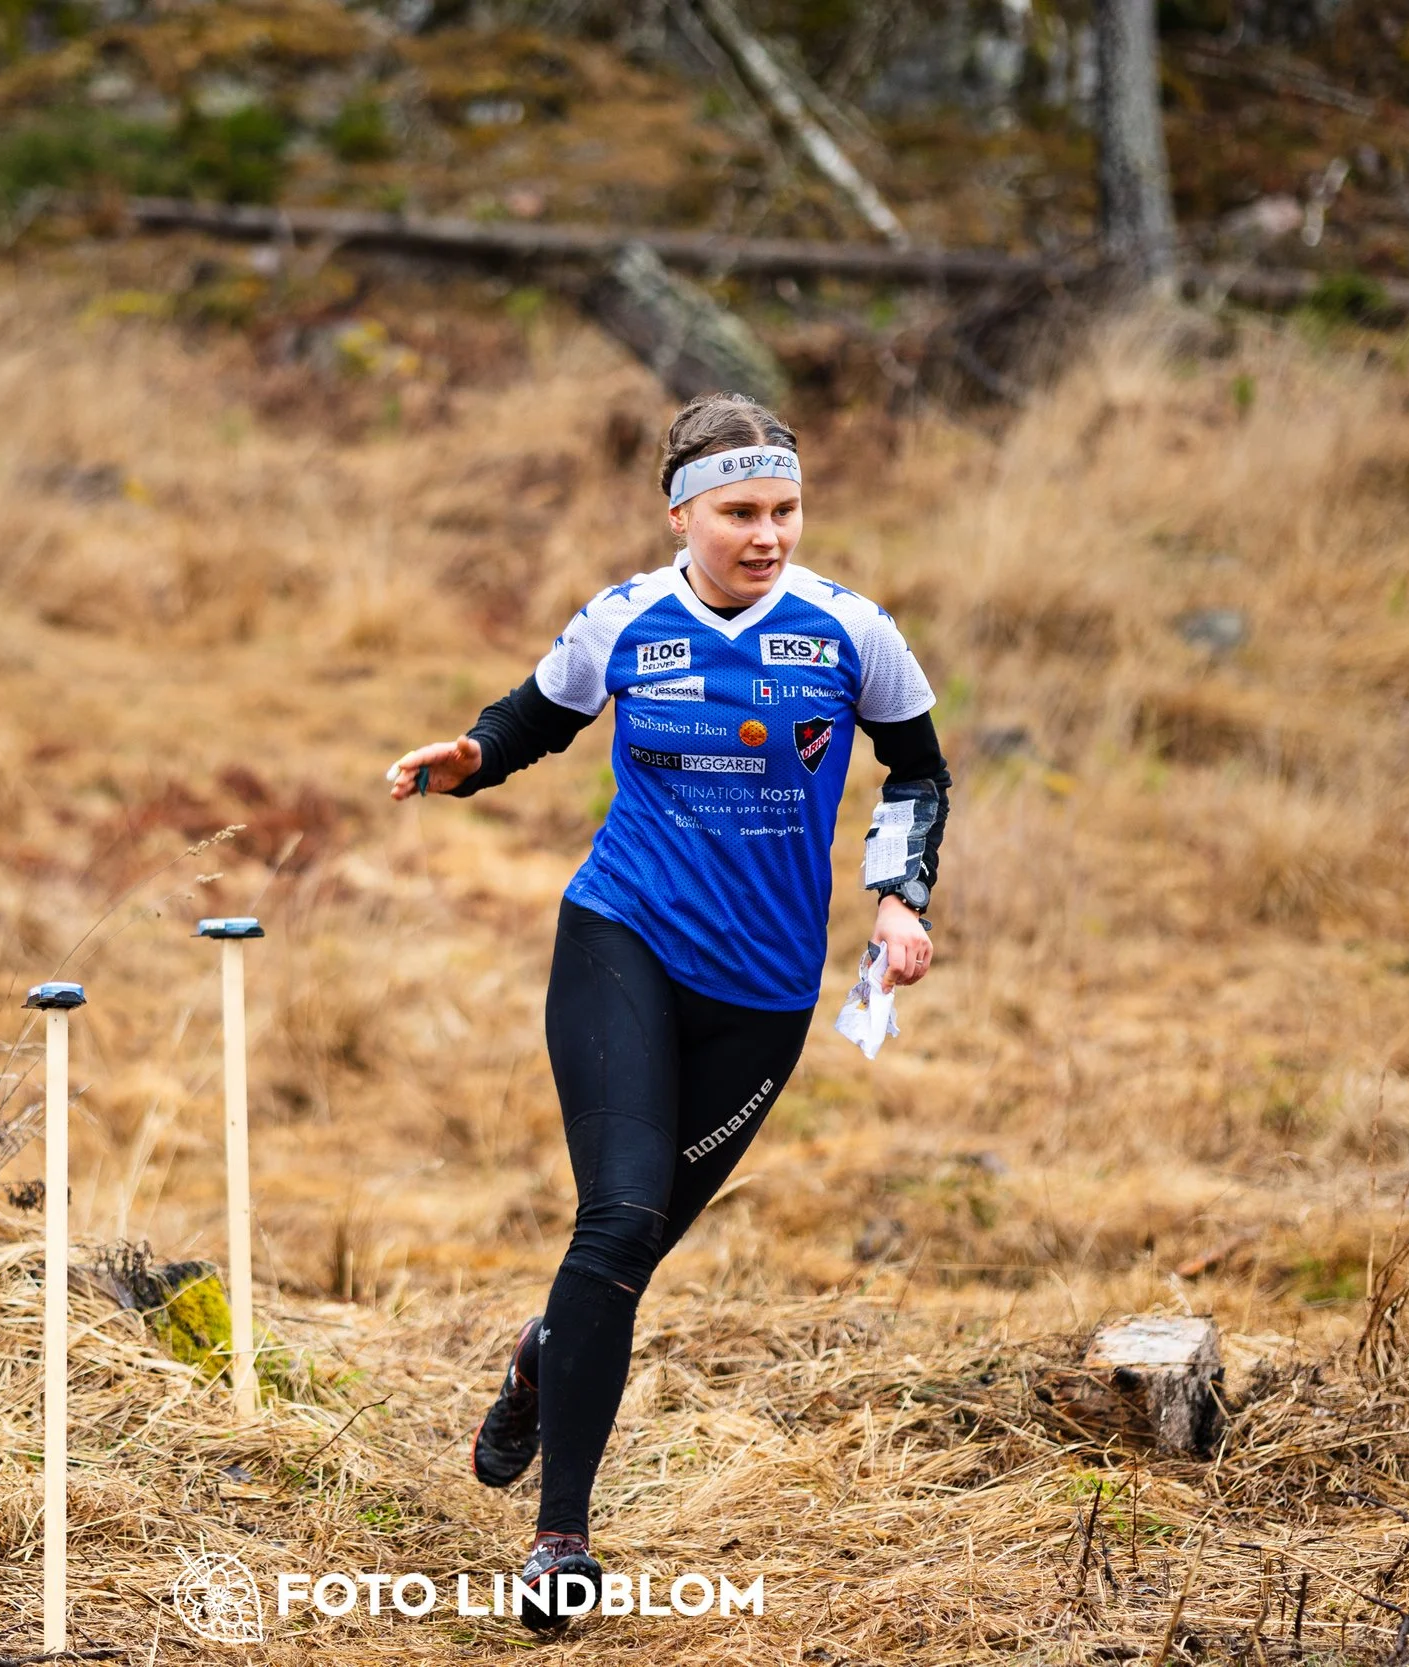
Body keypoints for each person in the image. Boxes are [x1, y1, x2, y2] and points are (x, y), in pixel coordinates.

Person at [383, 391, 951, 1631]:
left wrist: (899, 897)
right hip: (620, 939)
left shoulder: (851, 632)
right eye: (741, 511)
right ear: (681, 512)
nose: (768, 534)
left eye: (785, 508)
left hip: (763, 989)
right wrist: (469, 758)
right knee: (621, 1211)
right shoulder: (624, 618)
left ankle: (543, 1353)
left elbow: (917, 768)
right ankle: (560, 1540)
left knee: (622, 1255)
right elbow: (535, 716)